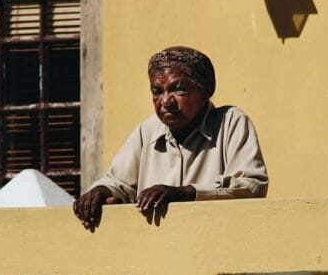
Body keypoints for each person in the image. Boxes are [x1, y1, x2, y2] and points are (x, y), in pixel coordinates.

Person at [73, 46, 268, 229]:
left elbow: (252, 185)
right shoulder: (147, 130)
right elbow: (119, 182)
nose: (165, 101)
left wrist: (185, 192)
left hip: (215, 245)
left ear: (206, 91)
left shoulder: (230, 122)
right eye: (157, 92)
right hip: (157, 254)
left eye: (178, 89)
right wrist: (100, 192)